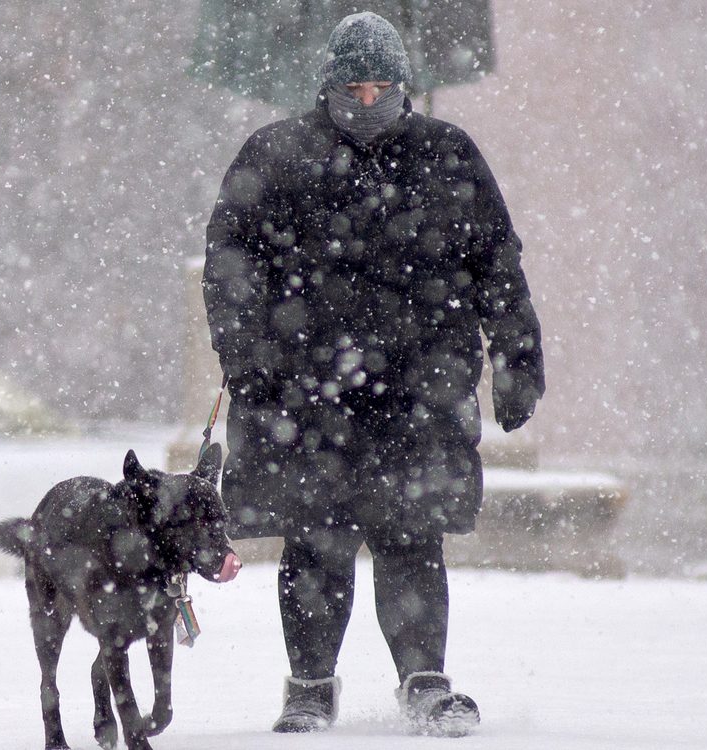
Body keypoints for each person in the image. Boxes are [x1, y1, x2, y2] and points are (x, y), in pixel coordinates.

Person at [202, 11, 544, 738]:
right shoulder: (276, 155)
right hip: (306, 396)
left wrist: (516, 359)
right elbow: (230, 269)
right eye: (353, 88)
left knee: (412, 539)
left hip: (418, 392)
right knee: (314, 544)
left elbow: (497, 265)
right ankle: (309, 687)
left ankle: (425, 682)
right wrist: (248, 360)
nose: (366, 102)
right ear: (327, 84)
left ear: (402, 85)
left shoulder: (447, 154)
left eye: (381, 88)